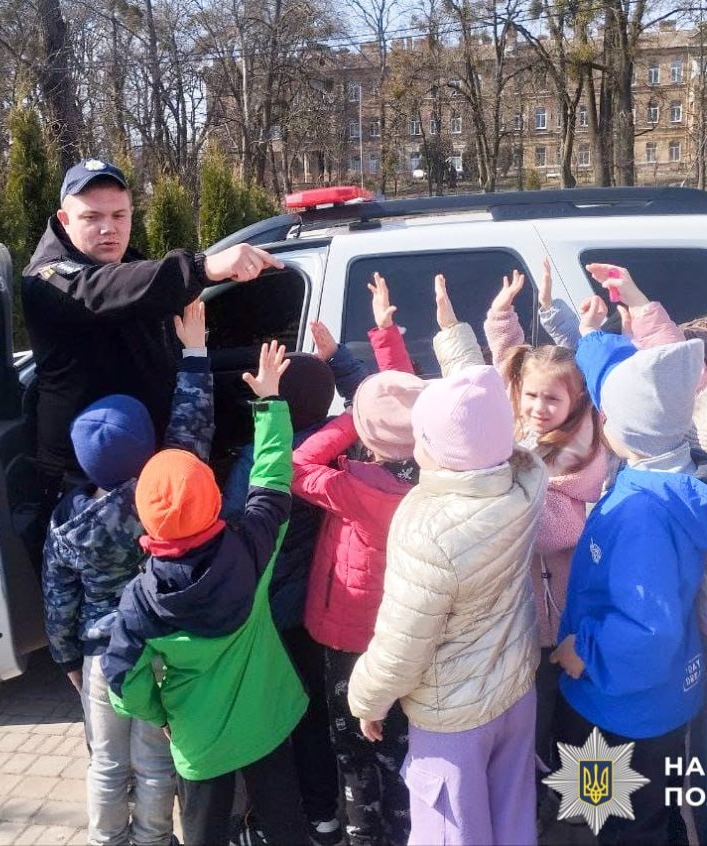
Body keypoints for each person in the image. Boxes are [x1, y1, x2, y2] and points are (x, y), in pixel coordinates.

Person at [347, 284, 548, 845]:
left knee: (452, 832)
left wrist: (367, 698)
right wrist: (453, 336)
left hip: (453, 716)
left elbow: (402, 642)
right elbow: (482, 412)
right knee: (513, 819)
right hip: (515, 693)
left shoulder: (427, 527)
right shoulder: (526, 478)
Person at [552, 298, 707, 846]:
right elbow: (628, 387)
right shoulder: (669, 473)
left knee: (620, 821)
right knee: (644, 812)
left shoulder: (641, 514)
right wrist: (590, 334)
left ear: (623, 428)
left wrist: (585, 651)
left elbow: (647, 629)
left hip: (619, 706)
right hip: (650, 699)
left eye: (605, 414)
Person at [103, 342, 310, 846]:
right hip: (268, 721)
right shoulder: (252, 546)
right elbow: (271, 481)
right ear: (215, 496)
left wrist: (159, 714)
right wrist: (269, 404)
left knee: (202, 832)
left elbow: (121, 681)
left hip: (199, 737)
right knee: (287, 825)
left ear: (146, 519)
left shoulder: (140, 601)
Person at [41, 302, 212, 846]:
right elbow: (191, 429)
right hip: (159, 649)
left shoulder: (67, 523)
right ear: (147, 447)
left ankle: (106, 839)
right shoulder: (165, 496)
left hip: (101, 654)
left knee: (107, 762)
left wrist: (67, 658)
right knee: (155, 760)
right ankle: (154, 839)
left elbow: (58, 599)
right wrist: (195, 352)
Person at [21, 157, 283, 501]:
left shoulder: (122, 260)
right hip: (90, 479)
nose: (108, 228)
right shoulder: (49, 278)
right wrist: (203, 268)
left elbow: (145, 290)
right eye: (92, 217)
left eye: (119, 215)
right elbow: (109, 289)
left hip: (150, 455)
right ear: (64, 220)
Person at [292, 275, 422, 846]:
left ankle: (363, 833)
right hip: (405, 636)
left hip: (348, 637)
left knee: (351, 746)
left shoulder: (354, 488)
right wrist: (385, 335)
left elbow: (296, 466)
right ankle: (407, 829)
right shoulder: (433, 468)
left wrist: (349, 421)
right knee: (399, 743)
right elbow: (402, 398)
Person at [479, 268, 610, 815]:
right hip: (527, 615)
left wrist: (521, 490)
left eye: (551, 399)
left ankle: (583, 803)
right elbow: (510, 366)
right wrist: (502, 315)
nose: (537, 407)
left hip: (564, 617)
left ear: (577, 400)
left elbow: (561, 530)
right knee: (535, 715)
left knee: (569, 717)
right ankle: (538, 799)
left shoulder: (580, 444)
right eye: (531, 396)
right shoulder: (524, 423)